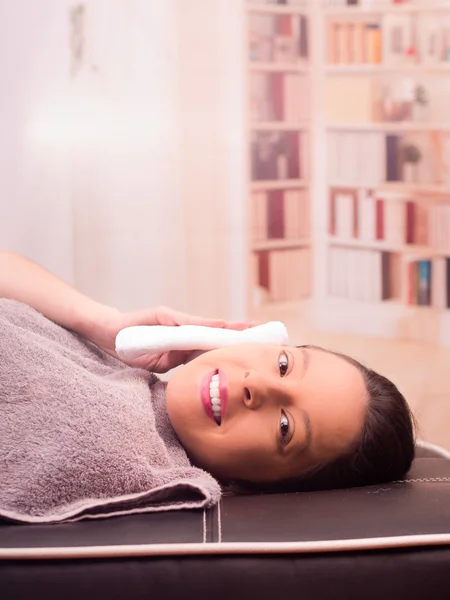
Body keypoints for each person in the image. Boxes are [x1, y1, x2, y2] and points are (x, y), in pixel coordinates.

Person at [0, 250, 415, 495]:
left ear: (255, 485)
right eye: (284, 365)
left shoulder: (106, 444)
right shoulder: (126, 375)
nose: (257, 385)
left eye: (285, 427)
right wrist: (104, 323)